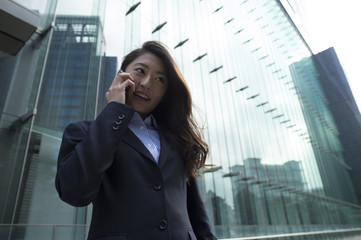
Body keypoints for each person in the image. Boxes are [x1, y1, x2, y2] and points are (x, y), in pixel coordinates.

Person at [55, 41, 217, 240]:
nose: (147, 83)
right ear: (121, 76)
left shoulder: (178, 140)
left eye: (160, 80)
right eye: (140, 71)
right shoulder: (84, 132)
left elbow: (197, 215)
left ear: (165, 93)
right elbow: (74, 192)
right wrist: (114, 110)